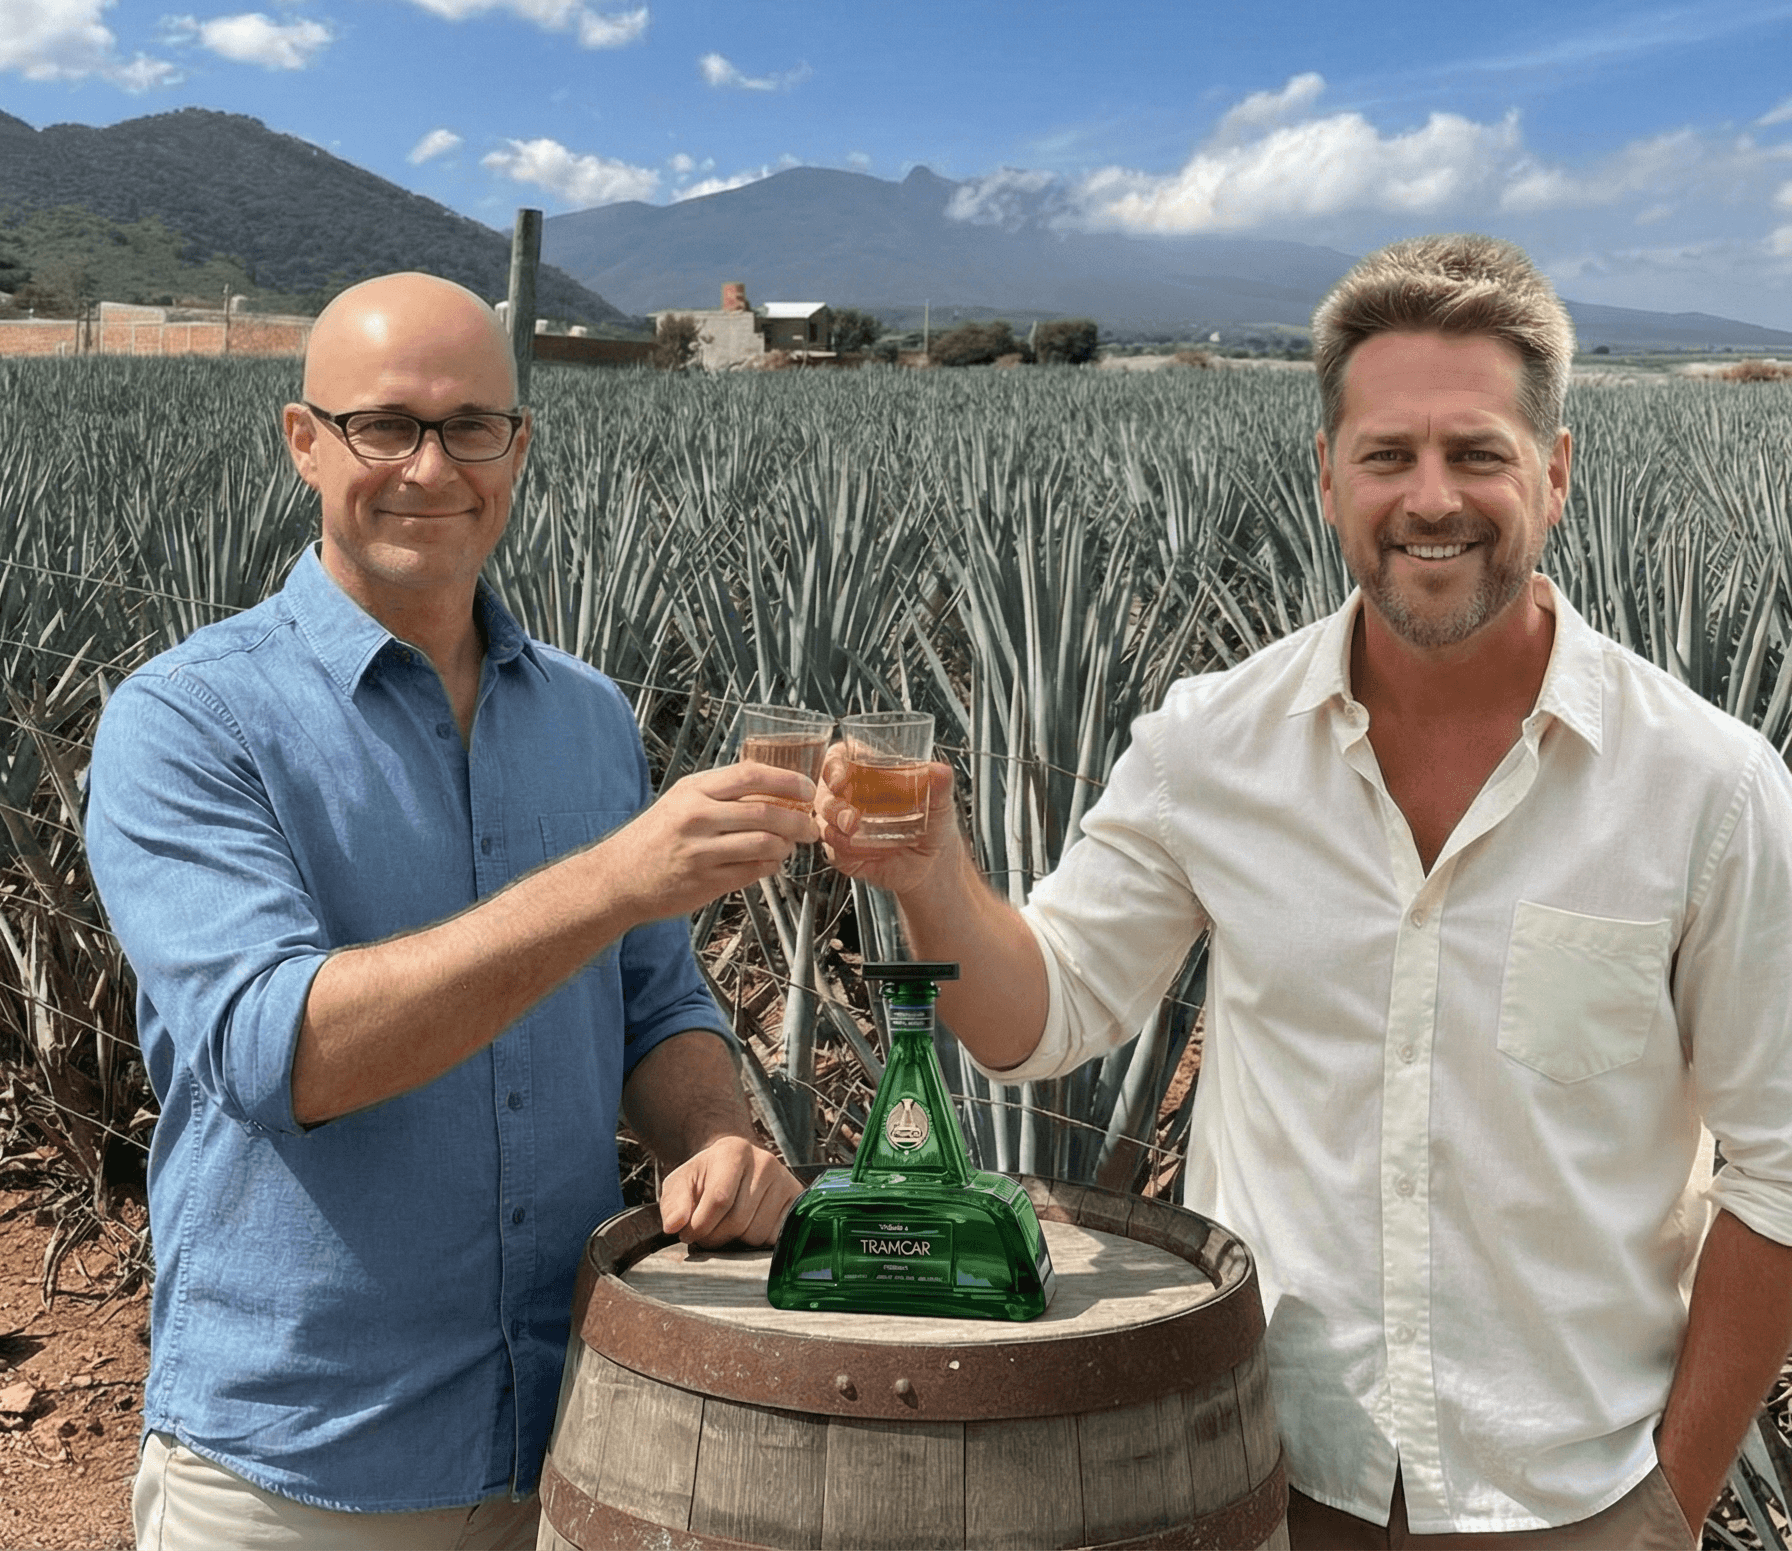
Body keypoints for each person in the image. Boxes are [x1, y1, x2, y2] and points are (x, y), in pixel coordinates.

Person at [819, 235, 1792, 1547]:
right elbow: (1039, 1019)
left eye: (1480, 452)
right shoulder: (1212, 746)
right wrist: (937, 875)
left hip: (1574, 1497)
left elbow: (1782, 1170)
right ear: (1327, 479)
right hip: (1262, 1477)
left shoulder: (1710, 791)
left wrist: (1671, 1503)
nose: (1431, 497)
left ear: (1555, 475)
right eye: (1388, 455)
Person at [86, 273, 816, 1549]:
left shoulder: (584, 717)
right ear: (304, 441)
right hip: (301, 1465)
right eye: (385, 425)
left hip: (586, 1435)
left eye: (471, 426)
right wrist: (612, 876)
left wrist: (709, 1133)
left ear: (517, 448)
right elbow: (287, 1054)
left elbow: (653, 995)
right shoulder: (188, 721)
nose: (431, 468)